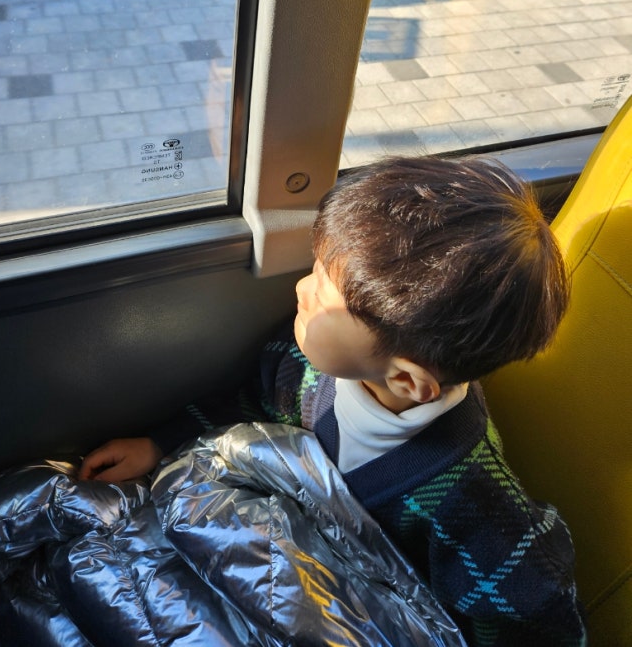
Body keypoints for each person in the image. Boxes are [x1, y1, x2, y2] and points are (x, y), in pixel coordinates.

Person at [80, 155, 586, 646]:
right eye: (316, 269)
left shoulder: (474, 508)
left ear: (406, 381)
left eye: (324, 295)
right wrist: (160, 443)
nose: (301, 289)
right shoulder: (306, 367)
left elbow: (531, 609)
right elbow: (253, 409)